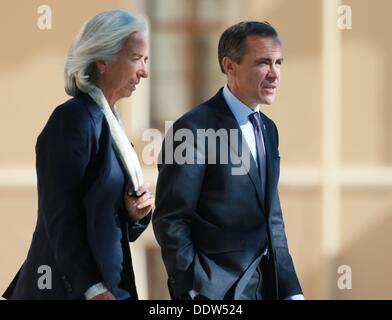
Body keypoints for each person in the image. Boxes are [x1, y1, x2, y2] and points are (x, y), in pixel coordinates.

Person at [2, 10, 154, 300]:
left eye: (146, 61)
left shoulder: (112, 125)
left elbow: (101, 219)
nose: (145, 72)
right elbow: (60, 217)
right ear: (102, 59)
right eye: (136, 59)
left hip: (110, 285)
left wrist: (132, 215)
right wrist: (94, 289)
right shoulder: (73, 120)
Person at [153, 21, 303, 300]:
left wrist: (292, 291)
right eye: (263, 62)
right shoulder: (192, 129)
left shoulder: (268, 129)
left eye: (278, 62)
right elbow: (170, 219)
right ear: (230, 66)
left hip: (266, 289)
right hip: (213, 294)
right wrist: (193, 290)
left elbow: (272, 220)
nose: (274, 74)